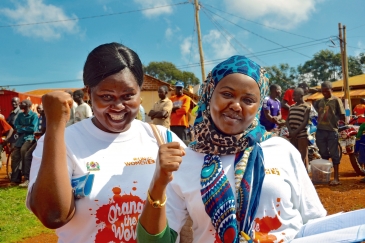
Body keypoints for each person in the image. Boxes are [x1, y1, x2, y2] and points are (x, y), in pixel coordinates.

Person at [138, 55, 326, 243]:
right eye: (227, 94)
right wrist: (158, 183)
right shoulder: (184, 161)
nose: (236, 106)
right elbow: (154, 242)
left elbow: (314, 220)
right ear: (209, 94)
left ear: (259, 106)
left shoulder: (281, 150)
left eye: (248, 99)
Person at [26, 42, 185, 242]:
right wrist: (56, 126)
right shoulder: (63, 143)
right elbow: (53, 216)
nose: (118, 106)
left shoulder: (164, 139)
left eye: (128, 96)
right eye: (106, 96)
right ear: (88, 93)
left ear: (140, 92)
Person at [314, 81, 345, 186]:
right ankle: (326, 176)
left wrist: (337, 123)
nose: (324, 93)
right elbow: (315, 110)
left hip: (332, 131)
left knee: (334, 154)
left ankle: (336, 178)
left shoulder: (336, 100)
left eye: (326, 91)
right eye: (323, 91)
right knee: (323, 153)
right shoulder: (319, 101)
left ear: (331, 89)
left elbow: (342, 115)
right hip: (320, 130)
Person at [10, 100, 38, 185]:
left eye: (23, 103)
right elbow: (16, 125)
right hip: (20, 138)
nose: (20, 104)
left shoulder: (34, 115)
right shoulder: (20, 115)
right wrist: (24, 128)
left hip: (30, 138)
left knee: (24, 151)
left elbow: (33, 129)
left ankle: (27, 178)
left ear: (28, 105)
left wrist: (21, 128)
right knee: (15, 155)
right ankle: (15, 179)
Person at [19, 104, 46, 188]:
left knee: (28, 155)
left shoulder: (45, 116)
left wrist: (40, 133)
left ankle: (28, 179)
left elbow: (45, 129)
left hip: (45, 140)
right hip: (41, 139)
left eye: (41, 109)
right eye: (37, 109)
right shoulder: (40, 117)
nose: (39, 110)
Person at [286, 88, 311, 171]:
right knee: (294, 156)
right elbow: (287, 120)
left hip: (301, 134)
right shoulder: (292, 107)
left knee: (302, 157)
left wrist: (296, 132)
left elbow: (305, 122)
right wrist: (290, 131)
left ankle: (303, 175)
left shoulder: (306, 107)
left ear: (301, 96)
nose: (293, 97)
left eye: (295, 95)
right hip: (292, 134)